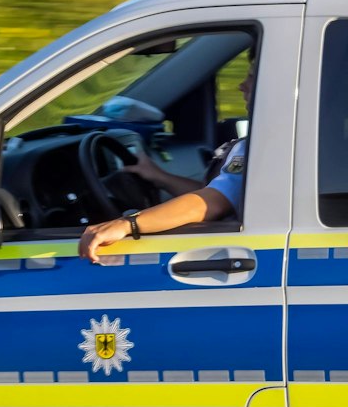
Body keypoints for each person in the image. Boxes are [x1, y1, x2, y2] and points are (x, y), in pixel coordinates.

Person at [77, 62, 253, 264]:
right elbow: (220, 192)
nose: (242, 86)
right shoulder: (271, 142)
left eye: (251, 77)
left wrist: (127, 225)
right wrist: (158, 176)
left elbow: (213, 202)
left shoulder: (259, 146)